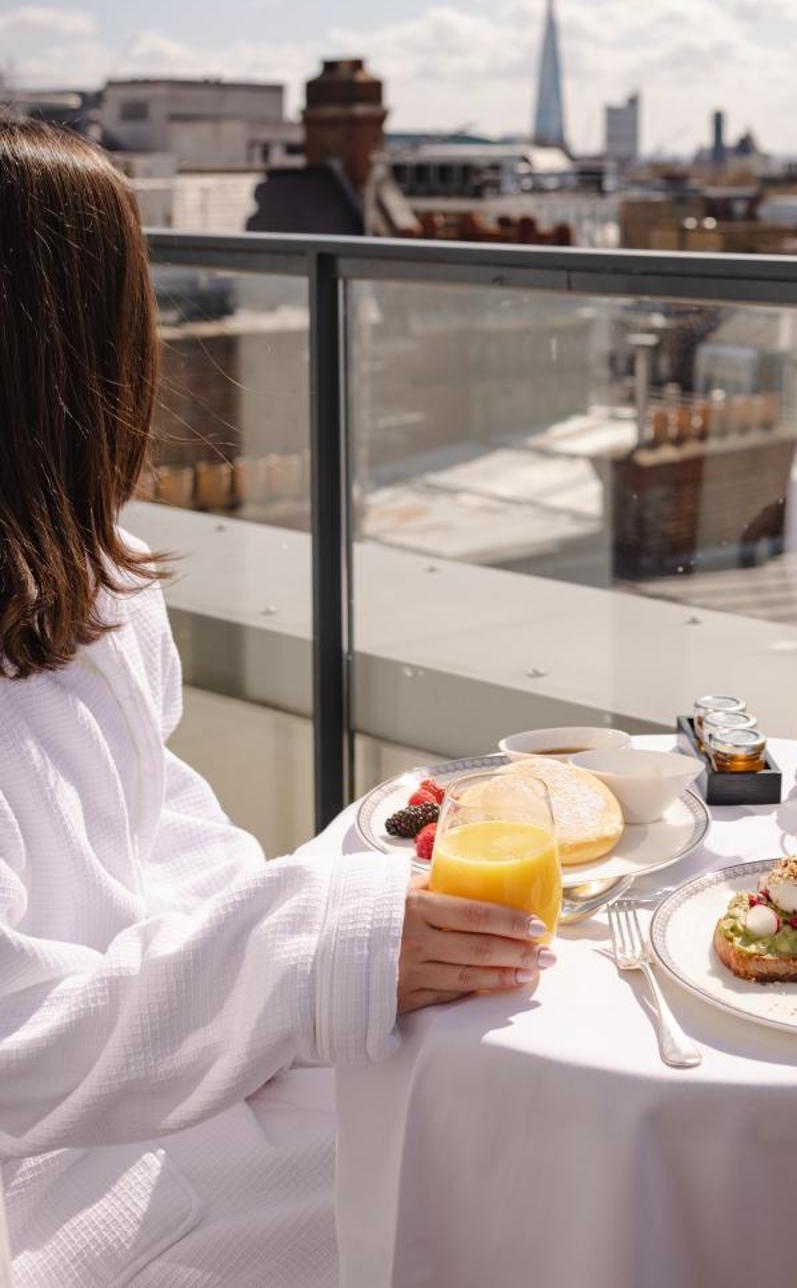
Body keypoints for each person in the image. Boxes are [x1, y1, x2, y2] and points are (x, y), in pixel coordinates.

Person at [0, 120, 552, 1285]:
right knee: (489, 1182)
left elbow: (163, 826)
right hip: (46, 1169)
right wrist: (309, 956)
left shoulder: (95, 581)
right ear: (81, 351)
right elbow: (15, 1049)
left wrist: (345, 908)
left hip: (160, 1072)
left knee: (479, 1108)